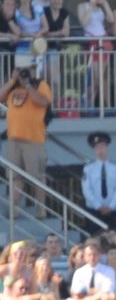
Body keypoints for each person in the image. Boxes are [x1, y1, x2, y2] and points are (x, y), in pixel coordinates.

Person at [2, 61, 52, 211]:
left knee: (37, 177)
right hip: (14, 140)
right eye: (20, 70)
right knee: (15, 177)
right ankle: (14, 209)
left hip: (33, 140)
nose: (23, 73)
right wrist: (12, 80)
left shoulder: (40, 85)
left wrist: (28, 84)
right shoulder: (13, 88)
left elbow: (43, 101)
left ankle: (40, 208)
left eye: (27, 70)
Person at [80, 131, 116, 229]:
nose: (100, 150)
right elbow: (87, 190)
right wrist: (99, 206)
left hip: (112, 210)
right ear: (94, 150)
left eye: (102, 146)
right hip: (94, 210)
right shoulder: (88, 169)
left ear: (107, 147)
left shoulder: (115, 168)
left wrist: (111, 206)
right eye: (97, 147)